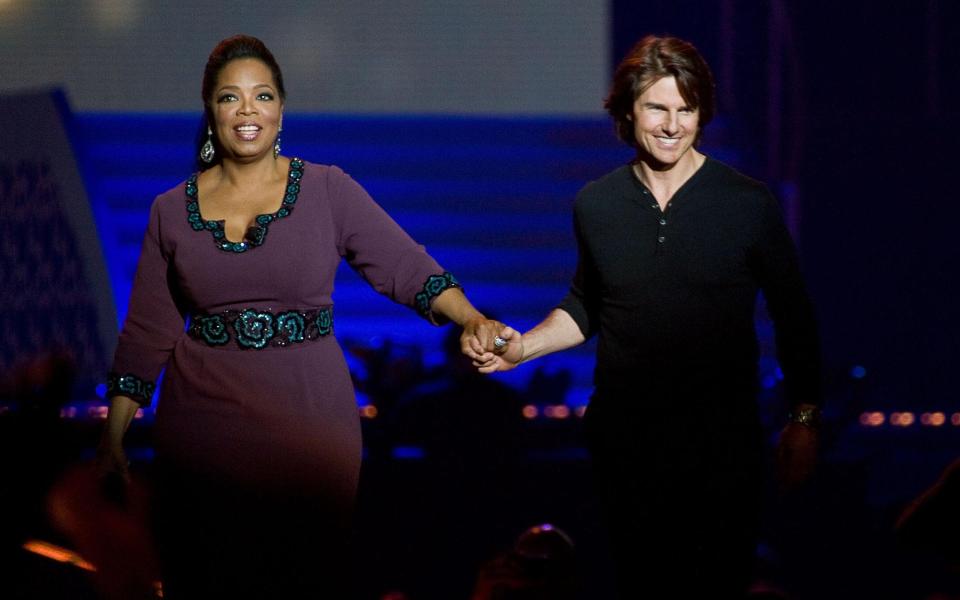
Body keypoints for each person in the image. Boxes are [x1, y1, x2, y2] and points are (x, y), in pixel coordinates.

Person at [95, 34, 500, 599]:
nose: (247, 111)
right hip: (201, 430)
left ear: (281, 109)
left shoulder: (327, 189)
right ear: (210, 110)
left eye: (262, 96)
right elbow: (146, 329)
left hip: (308, 426)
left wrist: (472, 318)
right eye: (230, 98)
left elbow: (404, 265)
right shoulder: (170, 210)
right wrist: (114, 437)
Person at [477, 35, 822, 598]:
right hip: (626, 445)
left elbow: (794, 314)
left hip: (722, 445)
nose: (672, 124)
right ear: (628, 110)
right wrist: (522, 348)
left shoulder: (747, 204)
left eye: (686, 109)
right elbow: (587, 302)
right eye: (658, 107)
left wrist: (804, 420)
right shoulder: (598, 203)